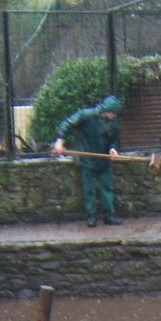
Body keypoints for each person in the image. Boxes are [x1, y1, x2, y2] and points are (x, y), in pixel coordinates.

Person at [52, 94, 124, 227]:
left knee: (107, 189)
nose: (114, 116)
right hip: (87, 160)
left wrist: (113, 149)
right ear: (107, 110)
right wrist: (60, 140)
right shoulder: (86, 115)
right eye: (113, 113)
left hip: (104, 160)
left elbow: (114, 140)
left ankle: (109, 216)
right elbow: (68, 124)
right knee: (89, 190)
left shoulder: (113, 124)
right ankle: (91, 217)